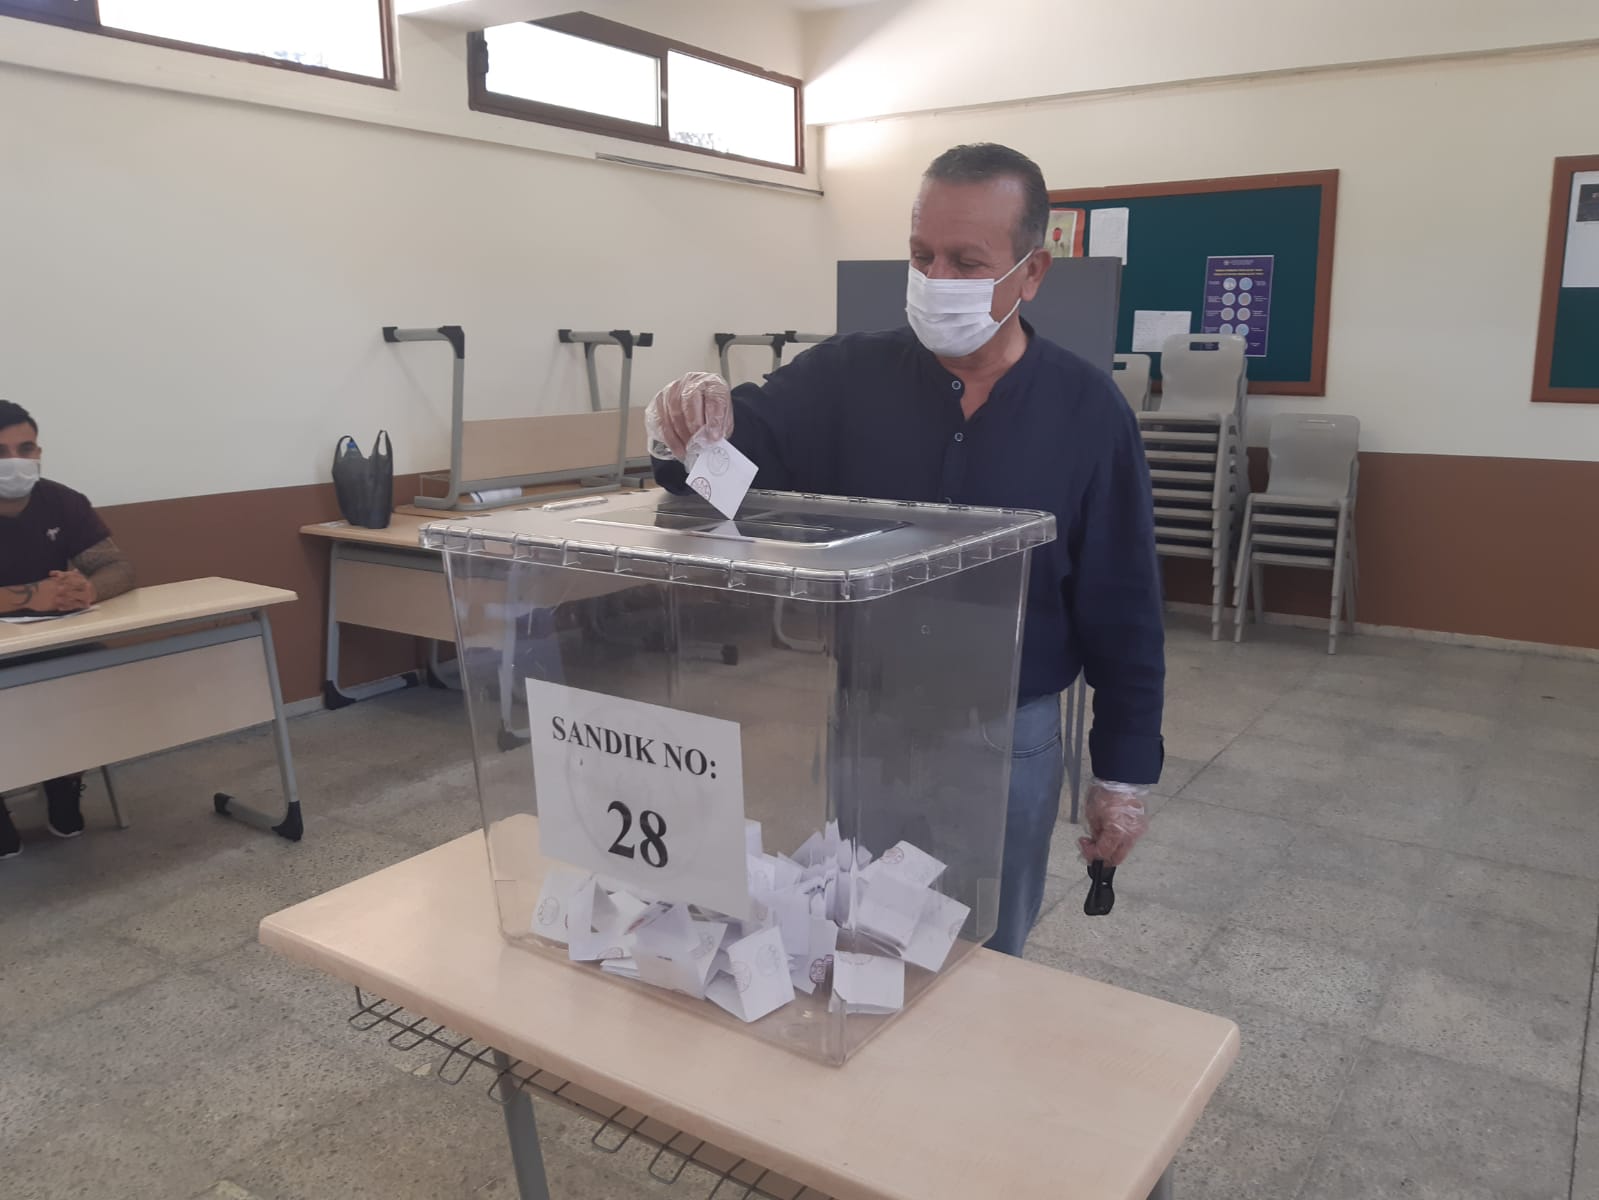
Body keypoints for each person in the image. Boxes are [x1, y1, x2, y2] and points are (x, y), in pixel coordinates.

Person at [646, 143, 1164, 956]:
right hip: (870, 722)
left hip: (1005, 734)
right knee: (862, 945)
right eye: (921, 256)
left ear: (1031, 272)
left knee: (986, 956)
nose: (935, 278)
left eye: (966, 261)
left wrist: (1121, 776)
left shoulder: (1086, 412)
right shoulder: (845, 376)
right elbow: (722, 474)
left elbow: (1122, 603)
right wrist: (688, 424)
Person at [0, 400, 136, 857]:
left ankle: (64, 780)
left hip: (54, 641)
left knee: (92, 668)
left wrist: (88, 589)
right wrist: (28, 596)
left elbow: (118, 566)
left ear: (39, 452)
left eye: (25, 449)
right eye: (0, 452)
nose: (14, 461)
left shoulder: (62, 501)